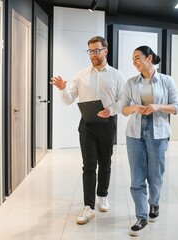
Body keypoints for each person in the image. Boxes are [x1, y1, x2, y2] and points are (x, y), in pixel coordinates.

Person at [50, 36, 125, 225]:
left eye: (97, 50)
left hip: (107, 124)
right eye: (90, 51)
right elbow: (68, 100)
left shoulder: (117, 75)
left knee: (105, 162)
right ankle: (89, 207)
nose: (93, 54)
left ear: (105, 50)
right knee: (89, 165)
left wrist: (111, 110)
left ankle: (103, 195)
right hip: (87, 126)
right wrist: (62, 89)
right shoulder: (81, 75)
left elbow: (124, 101)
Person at [118, 46, 178, 236]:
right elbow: (123, 109)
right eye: (133, 59)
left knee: (156, 174)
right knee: (137, 177)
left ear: (150, 58)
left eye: (138, 58)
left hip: (158, 133)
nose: (135, 62)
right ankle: (141, 217)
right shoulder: (130, 82)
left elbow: (177, 107)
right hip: (135, 133)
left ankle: (154, 203)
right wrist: (135, 107)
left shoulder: (167, 81)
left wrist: (157, 106)